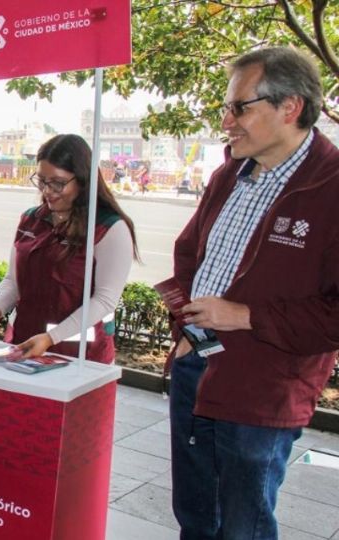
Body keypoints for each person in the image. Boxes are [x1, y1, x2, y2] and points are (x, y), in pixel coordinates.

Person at [168, 47, 339, 540]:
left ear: (290, 108)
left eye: (239, 107)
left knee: (243, 526)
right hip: (196, 369)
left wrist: (244, 315)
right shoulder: (228, 176)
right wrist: (188, 327)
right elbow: (187, 258)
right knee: (196, 518)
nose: (227, 121)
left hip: (265, 388)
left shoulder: (331, 188)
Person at [0, 134, 138, 363]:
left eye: (58, 183)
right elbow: (14, 280)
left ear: (82, 179)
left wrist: (51, 338)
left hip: (80, 355)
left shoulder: (109, 228)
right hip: (24, 343)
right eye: (42, 180)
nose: (47, 191)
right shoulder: (31, 219)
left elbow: (105, 300)